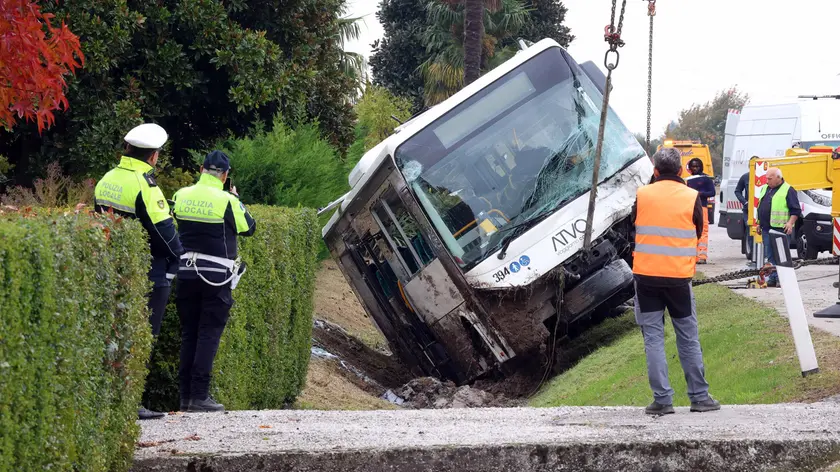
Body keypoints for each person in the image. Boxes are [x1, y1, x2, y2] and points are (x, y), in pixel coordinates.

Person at [94, 123, 184, 420]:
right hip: (147, 274)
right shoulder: (144, 185)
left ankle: (108, 400)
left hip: (111, 268)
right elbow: (165, 235)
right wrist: (179, 258)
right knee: (141, 337)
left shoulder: (107, 178)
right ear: (154, 156)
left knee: (113, 335)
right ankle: (132, 403)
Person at [632, 148, 720, 415]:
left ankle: (662, 400)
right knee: (688, 337)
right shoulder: (692, 196)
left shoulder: (641, 194)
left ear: (655, 171)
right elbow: (697, 229)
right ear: (681, 171)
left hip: (646, 278)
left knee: (654, 339)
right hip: (679, 278)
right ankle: (700, 397)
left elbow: (631, 228)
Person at [173, 150, 256, 412]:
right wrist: (234, 199)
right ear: (225, 175)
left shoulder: (180, 195)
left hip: (185, 272)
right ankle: (200, 396)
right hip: (216, 277)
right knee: (208, 333)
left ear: (201, 169)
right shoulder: (227, 200)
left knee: (189, 333)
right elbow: (249, 227)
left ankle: (185, 396)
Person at [756, 167, 801, 287]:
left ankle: (782, 279)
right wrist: (759, 223)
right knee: (770, 255)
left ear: (778, 178)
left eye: (769, 179)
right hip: (766, 228)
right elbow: (761, 207)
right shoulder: (765, 188)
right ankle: (773, 278)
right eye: (766, 178)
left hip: (780, 229)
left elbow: (796, 210)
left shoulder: (788, 190)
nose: (767, 181)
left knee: (781, 255)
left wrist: (790, 223)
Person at [685, 158, 715, 264]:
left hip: (702, 207)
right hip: (689, 207)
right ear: (690, 167)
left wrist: (699, 193)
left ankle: (702, 256)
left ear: (701, 166)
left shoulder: (706, 178)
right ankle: (692, 256)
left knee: (703, 230)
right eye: (693, 166)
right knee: (690, 230)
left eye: (697, 166)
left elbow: (712, 192)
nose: (695, 168)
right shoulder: (687, 179)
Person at [734, 168, 753, 265]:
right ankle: (752, 254)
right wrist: (745, 202)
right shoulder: (745, 177)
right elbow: (737, 191)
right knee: (750, 230)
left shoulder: (765, 177)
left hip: (761, 210)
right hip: (748, 210)